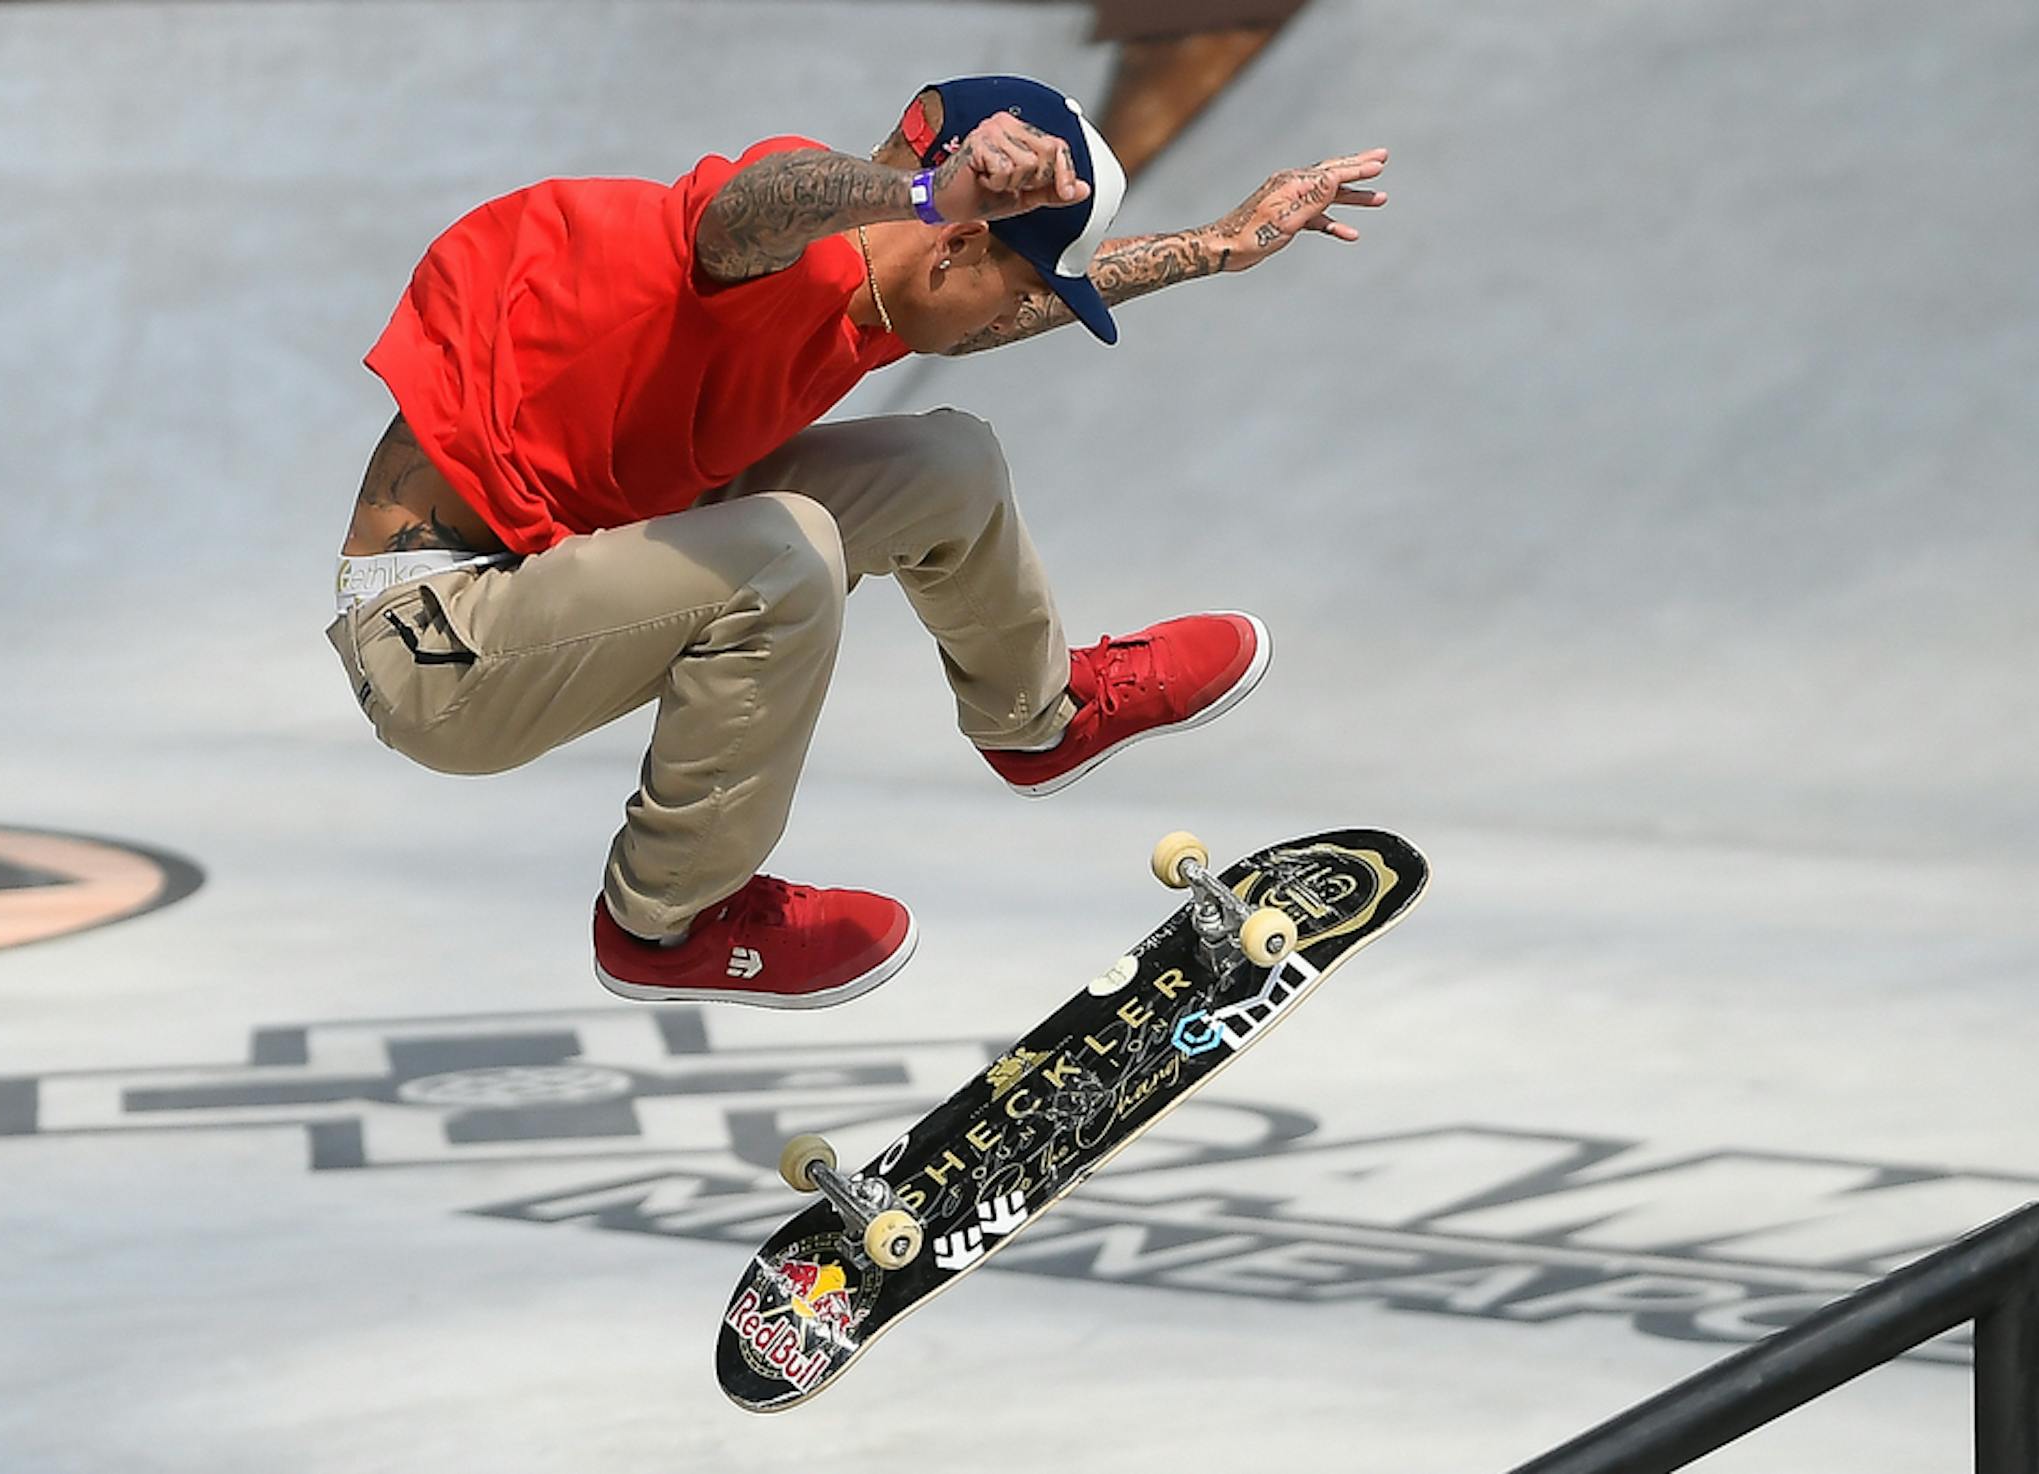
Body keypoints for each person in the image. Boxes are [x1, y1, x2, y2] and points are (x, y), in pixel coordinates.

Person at [327, 74, 1388, 1010]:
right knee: (785, 548)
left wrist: (1217, 247)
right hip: (438, 638)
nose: (997, 325)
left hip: (572, 555)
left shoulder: (886, 298)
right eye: (1017, 284)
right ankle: (670, 919)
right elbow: (747, 210)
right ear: (960, 241)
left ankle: (1040, 718)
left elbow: (976, 316)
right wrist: (929, 192)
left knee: (945, 469)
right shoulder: (786, 253)